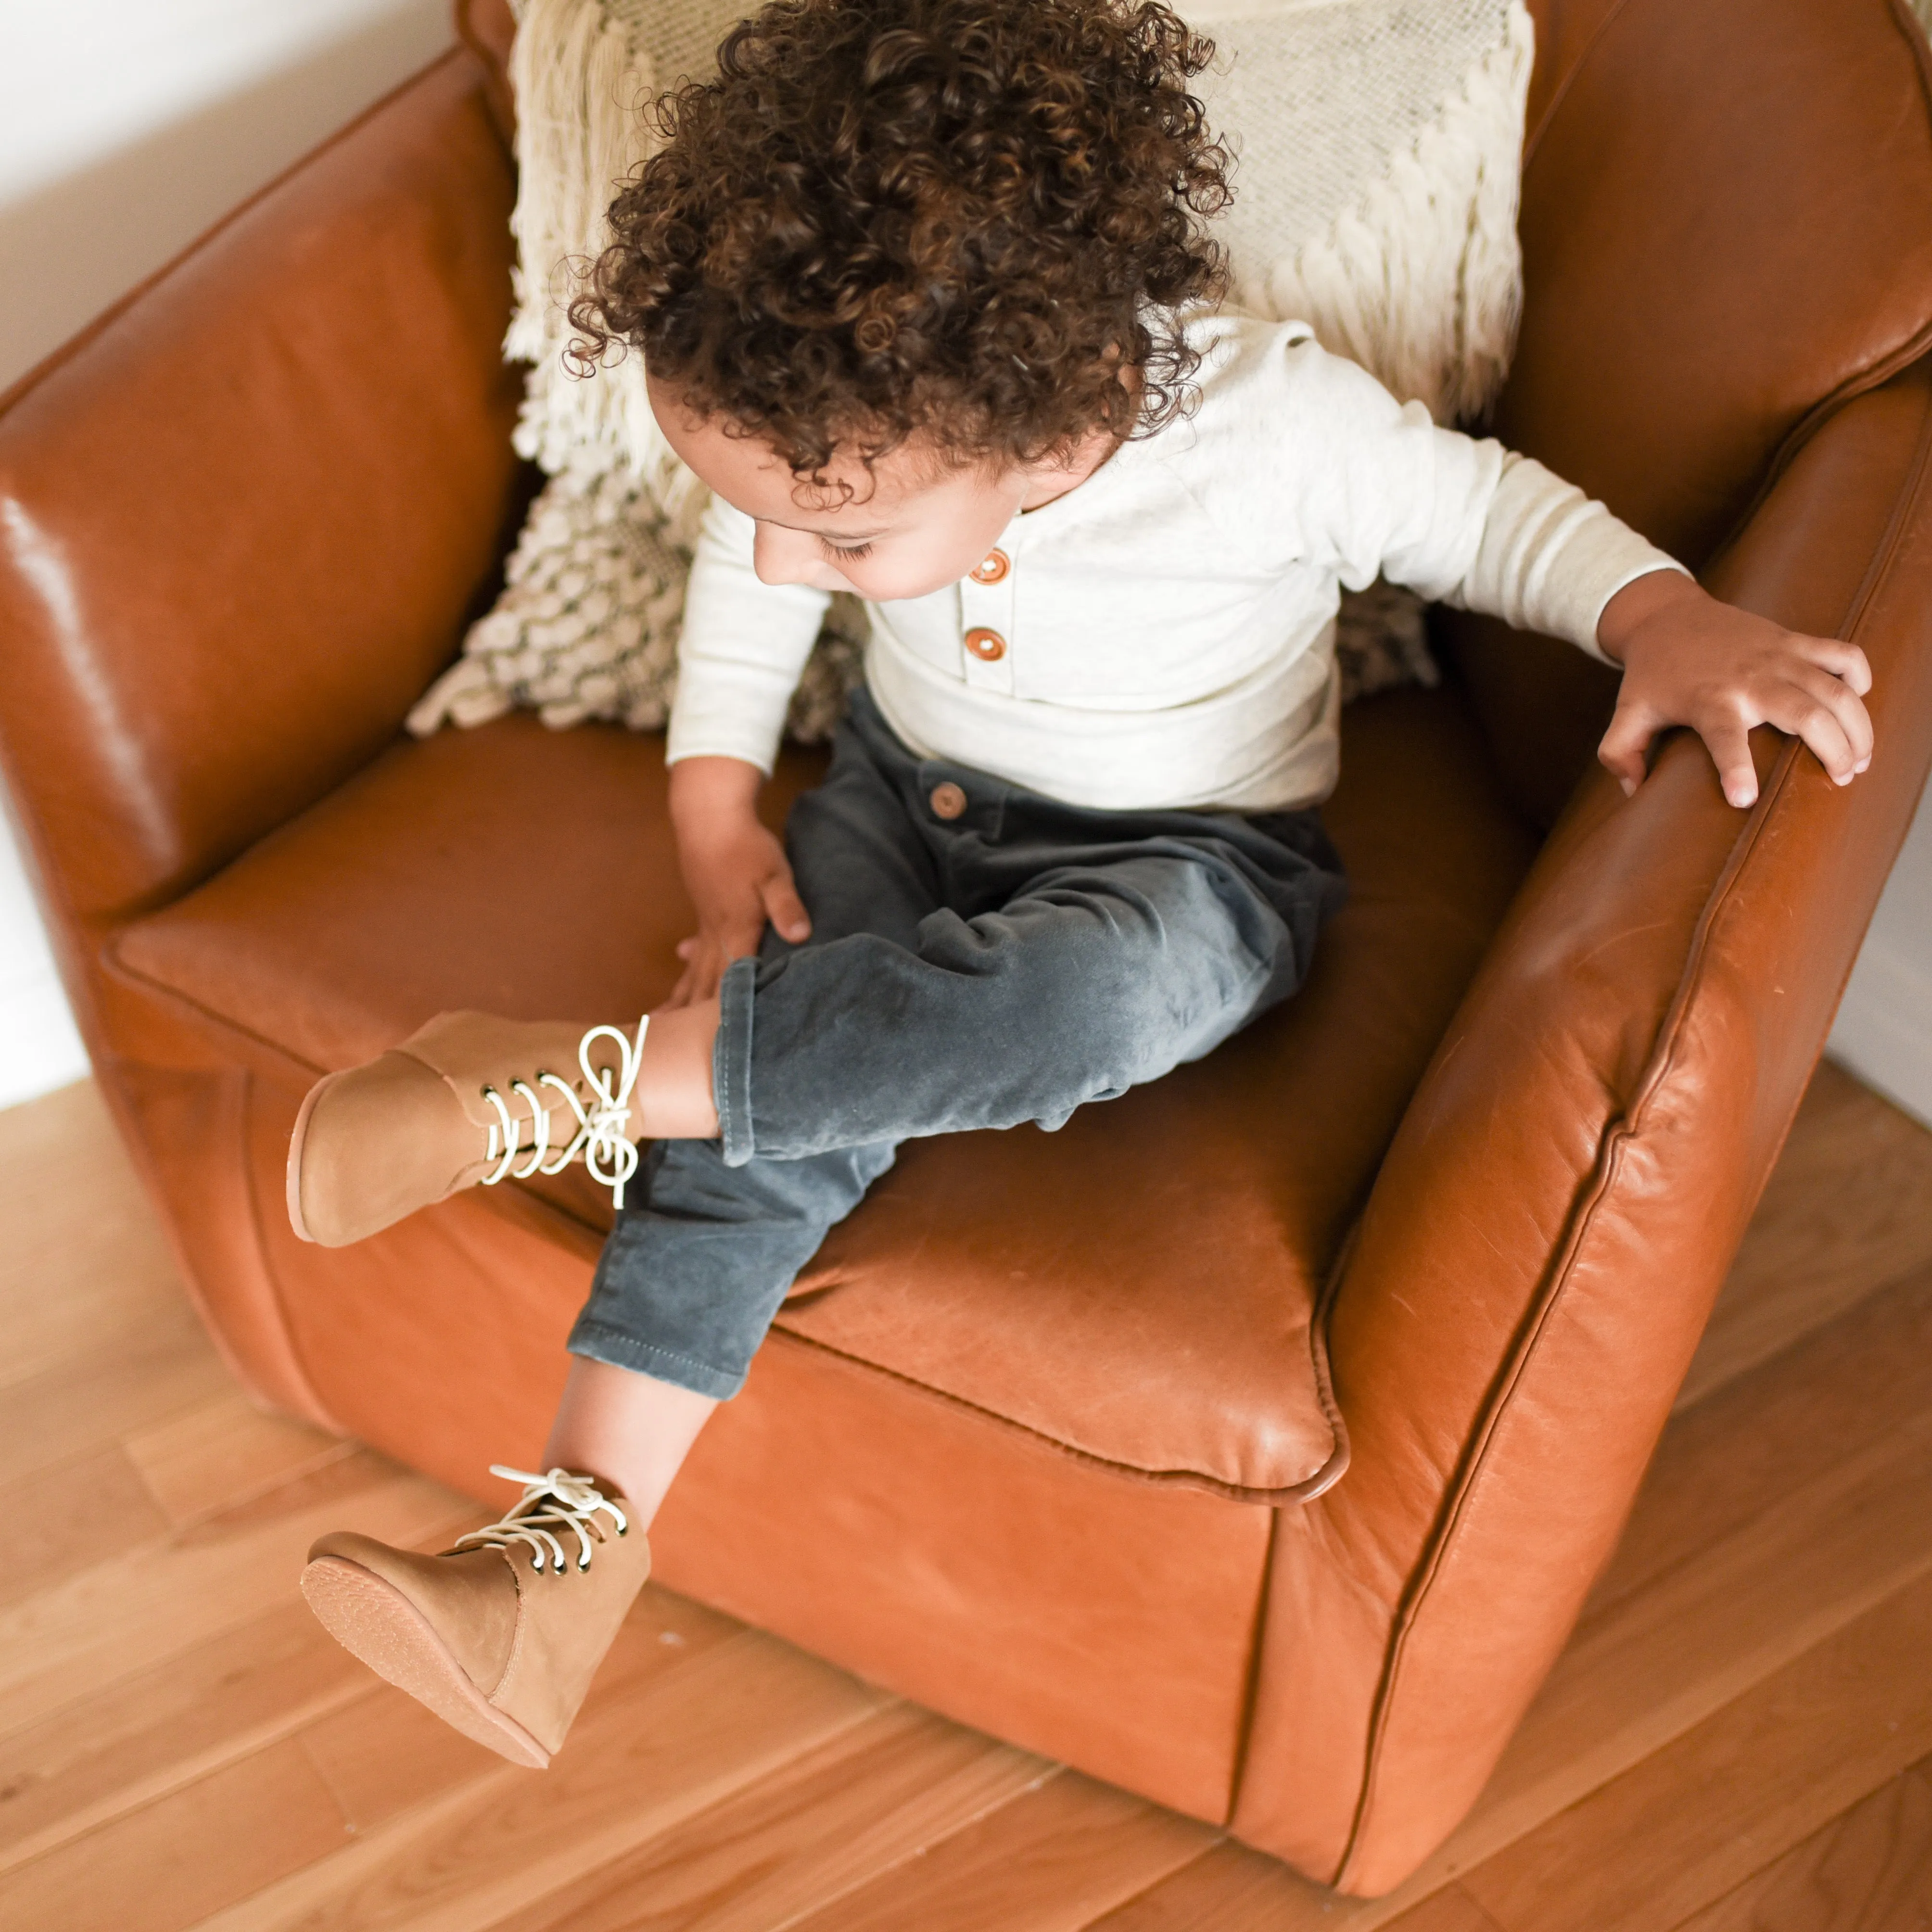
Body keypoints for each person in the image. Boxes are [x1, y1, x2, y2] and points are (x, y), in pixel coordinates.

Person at [289, 0, 1875, 1770]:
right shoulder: (842, 449)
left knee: (1083, 1007)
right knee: (772, 1118)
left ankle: (570, 1087)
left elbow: (1495, 523)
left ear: (1042, 439)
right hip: (907, 802)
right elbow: (756, 577)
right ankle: (560, 1563)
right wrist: (715, 805)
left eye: (846, 539)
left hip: (1190, 866)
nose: (795, 556)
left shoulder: (1271, 429)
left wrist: (1670, 620)